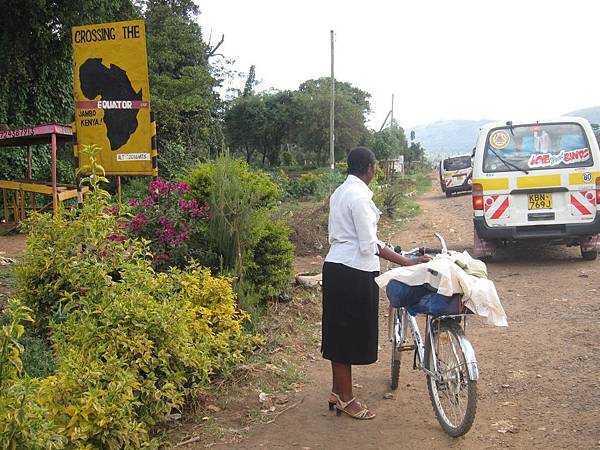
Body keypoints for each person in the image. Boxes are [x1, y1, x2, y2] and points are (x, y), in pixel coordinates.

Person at [321, 146, 429, 420]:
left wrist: (396, 253)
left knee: (338, 333)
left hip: (337, 267)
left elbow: (363, 238)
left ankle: (337, 391)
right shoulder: (359, 198)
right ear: (370, 168)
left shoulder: (341, 192)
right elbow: (371, 246)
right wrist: (407, 262)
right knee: (347, 336)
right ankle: (346, 399)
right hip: (354, 271)